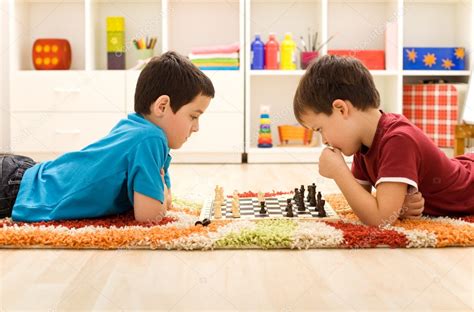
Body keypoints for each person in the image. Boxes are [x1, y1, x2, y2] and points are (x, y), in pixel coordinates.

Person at [1, 51, 214, 222]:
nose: (196, 128)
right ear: (162, 106)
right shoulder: (150, 139)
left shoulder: (137, 128)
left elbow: (162, 202)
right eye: (193, 116)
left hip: (23, 175)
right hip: (15, 190)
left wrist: (163, 196)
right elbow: (150, 216)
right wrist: (163, 195)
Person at [293, 55, 474, 226]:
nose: (324, 140)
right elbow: (365, 205)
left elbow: (380, 219)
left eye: (320, 129)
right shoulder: (363, 144)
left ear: (341, 109)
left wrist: (339, 172)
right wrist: (397, 208)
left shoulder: (398, 140)